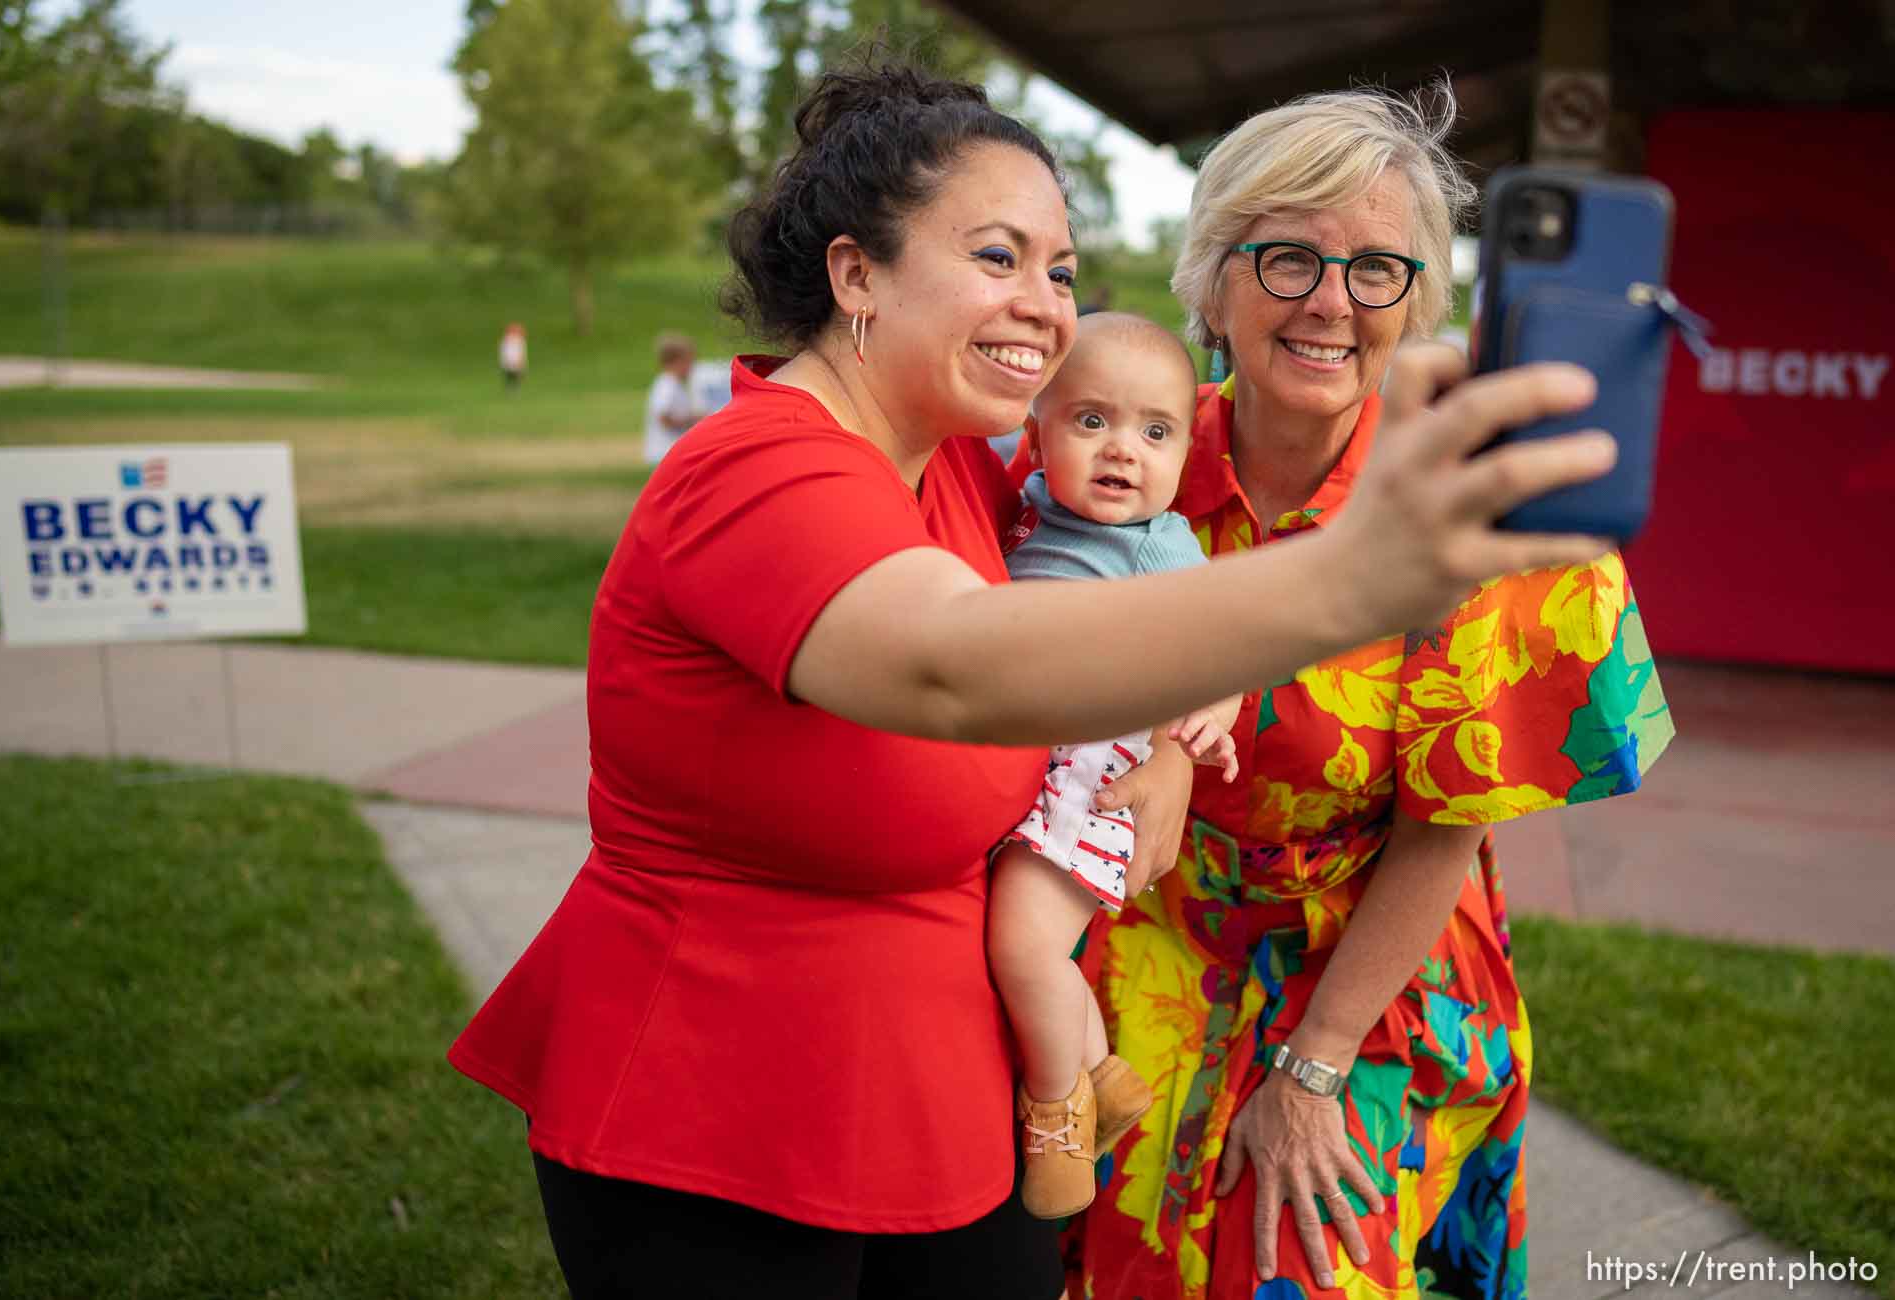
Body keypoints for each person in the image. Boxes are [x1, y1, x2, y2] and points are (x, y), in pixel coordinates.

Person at [446, 62, 1621, 1300]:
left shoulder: (966, 464)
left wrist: (1169, 750)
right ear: (854, 276)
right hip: (733, 1097)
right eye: (998, 256)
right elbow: (956, 665)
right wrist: (1348, 582)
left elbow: (1098, 619)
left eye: (1058, 271)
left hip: (959, 1080)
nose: (1044, 307)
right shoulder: (760, 475)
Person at [1066, 85, 1677, 1300]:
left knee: (1299, 1264)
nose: (1332, 302)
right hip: (1136, 942)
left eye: (1379, 270)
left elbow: (1447, 825)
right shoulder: (1122, 449)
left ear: (1418, 301)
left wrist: (1312, 1072)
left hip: (1368, 971)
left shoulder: (1476, 509)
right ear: (1214, 278)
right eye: (1289, 258)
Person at [987, 311, 1243, 1220]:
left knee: (1022, 945)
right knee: (1034, 946)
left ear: (1185, 454)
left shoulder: (1160, 546)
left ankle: (1059, 1118)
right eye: (1090, 421)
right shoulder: (1033, 511)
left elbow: (1232, 647)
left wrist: (1203, 726)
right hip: (1043, 775)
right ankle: (1101, 1073)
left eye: (1155, 430)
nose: (1121, 450)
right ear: (1037, 432)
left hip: (1092, 783)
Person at [642, 331, 702, 463]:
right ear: (675, 361)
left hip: (670, 452)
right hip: (663, 452)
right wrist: (693, 420)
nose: (692, 367)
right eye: (689, 361)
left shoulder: (675, 385)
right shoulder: (667, 385)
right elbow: (663, 417)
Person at [499, 322, 527, 390]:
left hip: (515, 361)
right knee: (511, 374)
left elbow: (521, 352)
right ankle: (511, 387)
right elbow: (506, 352)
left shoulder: (520, 341)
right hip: (511, 361)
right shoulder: (507, 341)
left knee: (516, 374)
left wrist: (520, 361)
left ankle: (514, 386)